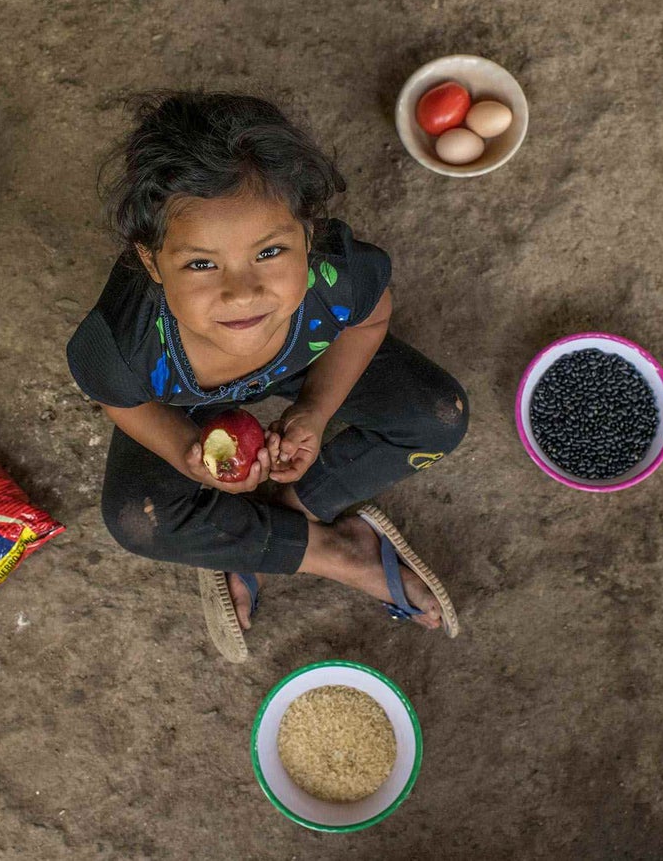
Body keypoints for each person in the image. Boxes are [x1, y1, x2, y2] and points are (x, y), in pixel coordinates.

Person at [66, 92, 469, 654]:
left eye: (271, 251)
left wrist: (315, 409)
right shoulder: (123, 346)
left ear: (308, 235)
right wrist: (185, 448)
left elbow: (369, 320)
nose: (242, 293)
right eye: (201, 264)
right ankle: (333, 553)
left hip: (303, 358)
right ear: (153, 263)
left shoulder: (335, 282)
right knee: (140, 521)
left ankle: (287, 513)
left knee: (438, 419)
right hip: (177, 399)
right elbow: (122, 402)